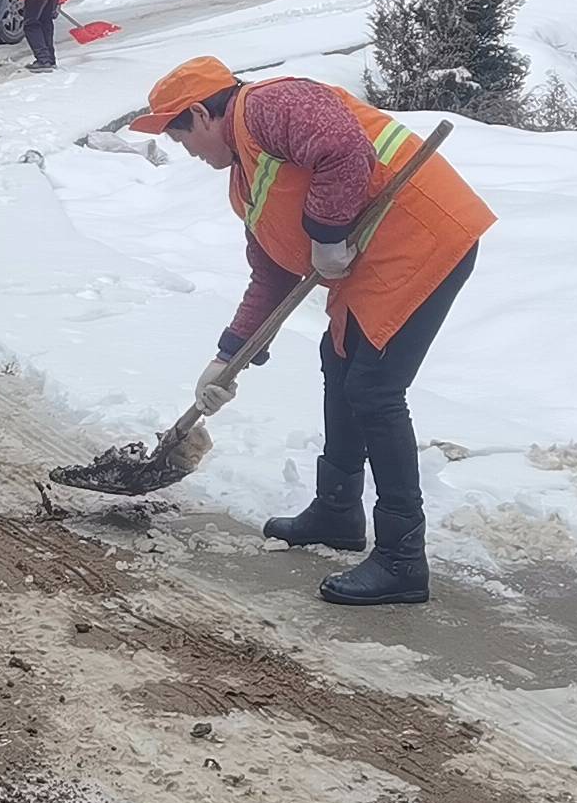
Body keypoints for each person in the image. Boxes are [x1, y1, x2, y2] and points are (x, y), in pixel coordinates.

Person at [128, 56, 495, 606]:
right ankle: (338, 510)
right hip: (372, 260)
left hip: (421, 237)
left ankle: (402, 559)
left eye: (184, 142)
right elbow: (272, 274)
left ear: (202, 114)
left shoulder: (270, 105)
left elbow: (344, 148)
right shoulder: (244, 177)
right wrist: (228, 357)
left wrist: (325, 235)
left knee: (374, 388)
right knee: (338, 363)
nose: (192, 157)